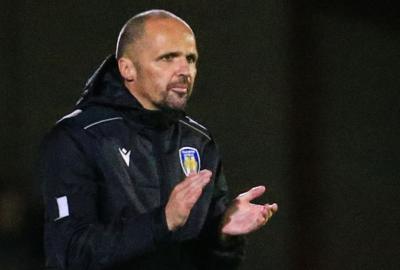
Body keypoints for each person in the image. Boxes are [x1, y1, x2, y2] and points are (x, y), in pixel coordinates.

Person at [40, 9, 277, 270]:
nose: (184, 69)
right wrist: (162, 222)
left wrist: (223, 235)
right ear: (128, 68)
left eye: (190, 58)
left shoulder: (198, 142)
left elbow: (212, 263)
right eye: (167, 58)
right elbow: (69, 254)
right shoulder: (78, 137)